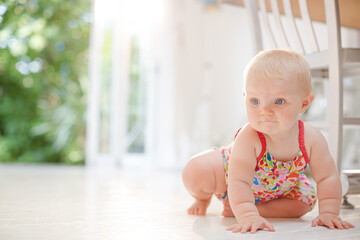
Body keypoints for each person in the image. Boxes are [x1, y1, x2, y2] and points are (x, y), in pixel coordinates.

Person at [182, 49, 355, 233]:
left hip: (282, 189)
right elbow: (239, 180)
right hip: (229, 178)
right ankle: (210, 199)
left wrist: (329, 212)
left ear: (304, 104)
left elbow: (327, 177)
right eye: (255, 101)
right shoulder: (249, 137)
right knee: (195, 171)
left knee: (305, 202)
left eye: (279, 101)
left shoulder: (311, 138)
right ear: (245, 98)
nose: (265, 110)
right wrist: (247, 215)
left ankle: (247, 208)